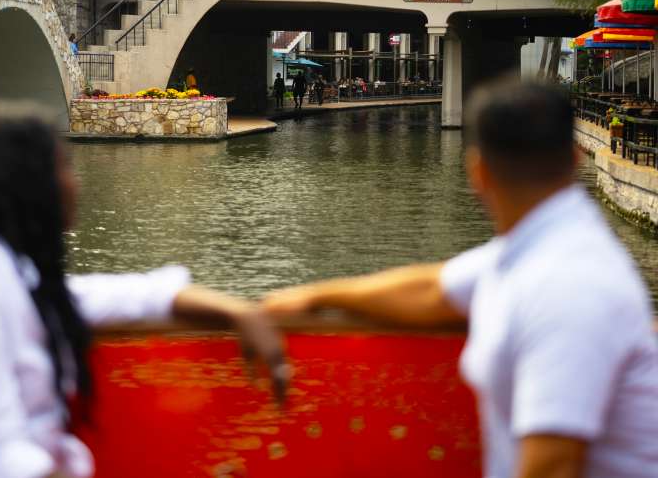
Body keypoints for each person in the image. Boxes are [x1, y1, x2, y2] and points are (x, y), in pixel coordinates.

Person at [265, 78, 658, 478]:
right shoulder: (545, 250)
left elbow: (554, 465)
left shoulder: (567, 284)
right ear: (576, 159)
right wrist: (317, 295)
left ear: (478, 173)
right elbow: (435, 290)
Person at [0, 113, 288, 478]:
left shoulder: (10, 271)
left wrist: (237, 312)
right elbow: (4, 457)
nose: (75, 183)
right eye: (63, 168)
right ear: (25, 185)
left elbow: (117, 295)